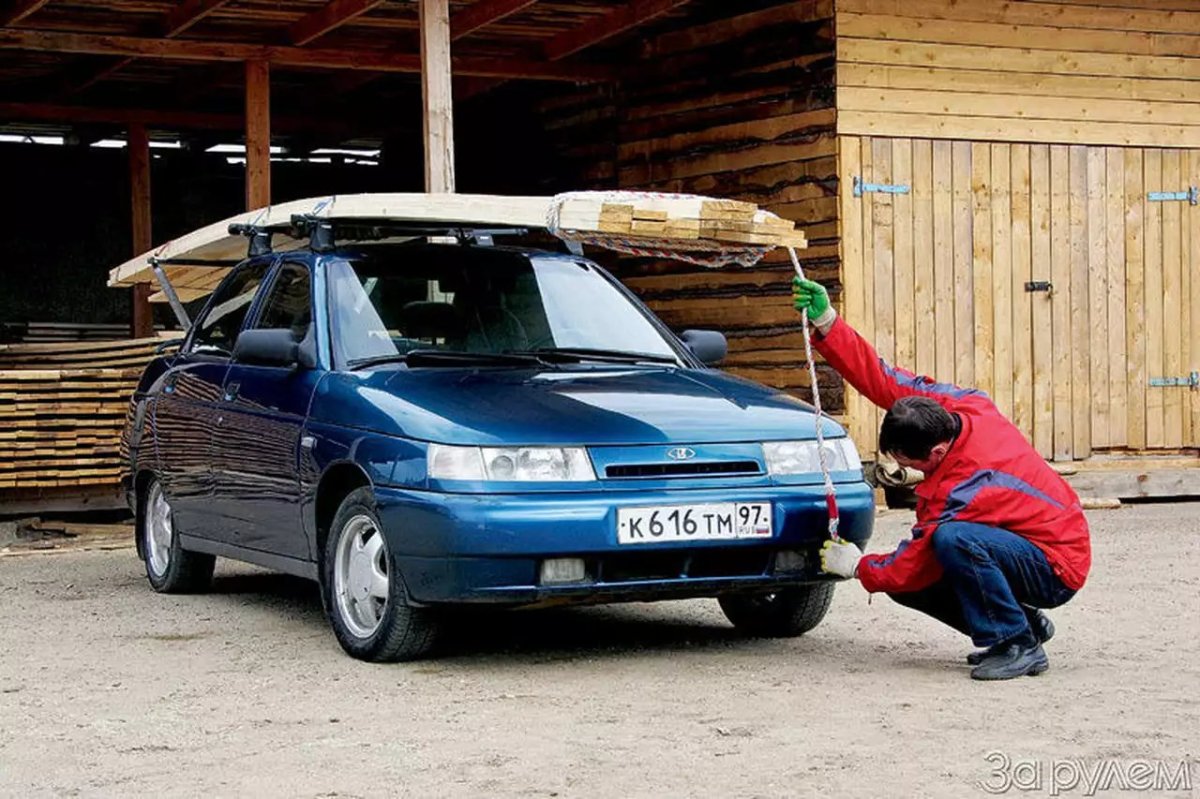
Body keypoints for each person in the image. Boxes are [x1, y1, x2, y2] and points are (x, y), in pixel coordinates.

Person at [792, 277, 1090, 680]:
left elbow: (913, 563)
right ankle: (1025, 626)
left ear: (935, 453)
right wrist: (828, 321)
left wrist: (859, 566)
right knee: (918, 568)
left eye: (908, 462)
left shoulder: (963, 488)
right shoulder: (959, 406)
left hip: (1057, 564)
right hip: (1024, 541)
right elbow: (882, 379)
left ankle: (1017, 644)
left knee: (949, 544)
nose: (905, 469)